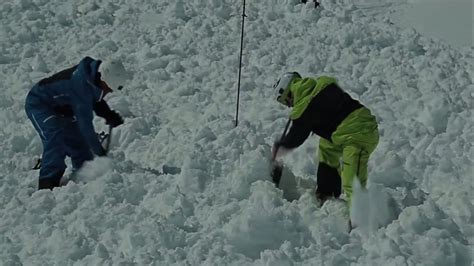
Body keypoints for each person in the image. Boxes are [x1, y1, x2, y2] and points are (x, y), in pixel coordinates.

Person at [271, 72, 379, 207]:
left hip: (359, 134)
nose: (289, 106)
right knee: (327, 147)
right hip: (350, 128)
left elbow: (296, 137)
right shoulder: (320, 87)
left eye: (286, 101)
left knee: (352, 180)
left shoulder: (305, 106)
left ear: (288, 93)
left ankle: (360, 219)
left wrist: (279, 148)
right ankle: (327, 193)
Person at [25, 56, 126, 190]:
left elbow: (94, 98)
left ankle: (83, 177)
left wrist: (108, 114)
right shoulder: (80, 85)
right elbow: (85, 126)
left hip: (61, 109)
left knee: (79, 144)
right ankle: (47, 183)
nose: (108, 92)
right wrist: (100, 152)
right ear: (103, 79)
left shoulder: (92, 77)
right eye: (108, 89)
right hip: (39, 103)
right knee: (55, 136)